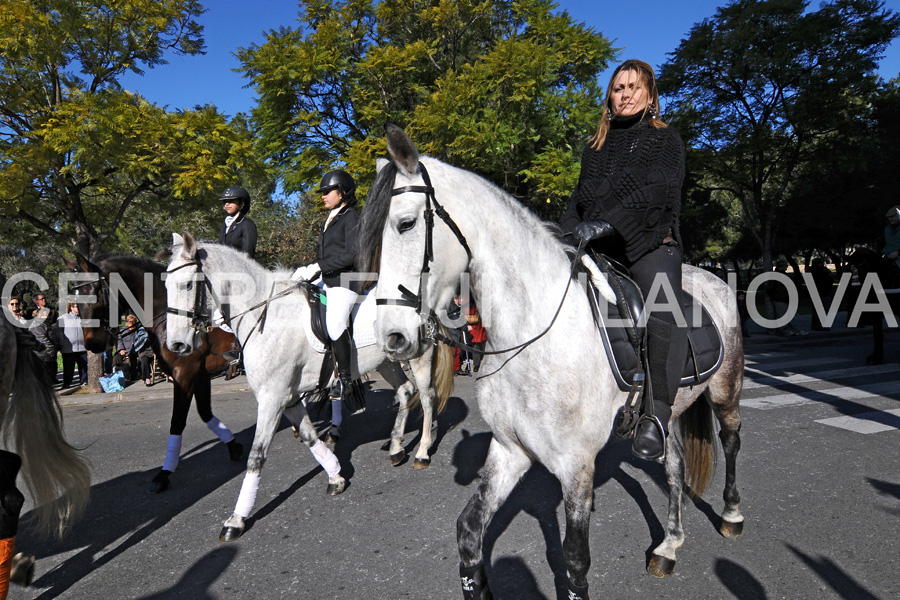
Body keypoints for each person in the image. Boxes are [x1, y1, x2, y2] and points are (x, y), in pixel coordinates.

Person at [559, 59, 687, 462]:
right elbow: (578, 201)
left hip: (650, 243)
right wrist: (561, 233)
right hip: (600, 249)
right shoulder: (594, 148)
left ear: (650, 96)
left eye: (634, 87)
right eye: (618, 88)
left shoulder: (665, 140)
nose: (626, 94)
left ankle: (657, 414)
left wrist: (606, 224)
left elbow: (656, 192)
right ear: (609, 97)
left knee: (664, 310)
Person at [291, 170, 360, 443]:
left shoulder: (351, 218)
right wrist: (309, 273)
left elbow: (350, 255)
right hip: (327, 281)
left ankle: (347, 379)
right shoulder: (329, 219)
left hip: (345, 282)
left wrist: (316, 266)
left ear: (342, 192)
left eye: (326, 191)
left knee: (333, 324)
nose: (322, 196)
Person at [765, 259, 807, 337]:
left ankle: (792, 329)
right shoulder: (778, 275)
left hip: (784, 297)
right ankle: (786, 330)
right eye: (786, 266)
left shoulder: (780, 275)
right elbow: (770, 288)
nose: (787, 267)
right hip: (780, 298)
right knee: (783, 316)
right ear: (782, 266)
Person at [219, 185, 258, 259]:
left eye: (231, 201)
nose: (227, 204)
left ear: (242, 203)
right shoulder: (224, 225)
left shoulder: (247, 224)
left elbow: (248, 253)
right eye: (225, 201)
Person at [57, 303, 88, 387]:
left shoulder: (83, 318)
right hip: (68, 348)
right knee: (68, 367)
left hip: (82, 348)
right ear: (71, 307)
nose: (78, 308)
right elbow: (59, 333)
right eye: (76, 306)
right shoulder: (63, 318)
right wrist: (61, 343)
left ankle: (84, 381)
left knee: (83, 366)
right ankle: (67, 383)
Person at [114, 314, 150, 384]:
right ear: (127, 322)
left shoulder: (139, 330)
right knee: (116, 358)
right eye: (129, 321)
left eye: (133, 321)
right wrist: (121, 349)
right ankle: (116, 376)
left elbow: (143, 339)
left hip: (138, 349)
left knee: (142, 358)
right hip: (126, 349)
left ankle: (139, 374)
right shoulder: (122, 330)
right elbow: (119, 341)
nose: (131, 323)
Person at [29, 307, 60, 384]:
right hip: (42, 354)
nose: (46, 315)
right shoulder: (37, 325)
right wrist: (51, 350)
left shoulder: (46, 324)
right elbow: (42, 339)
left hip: (48, 353)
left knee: (51, 369)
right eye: (43, 314)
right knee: (45, 373)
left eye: (47, 314)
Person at [808, 258, 834, 331]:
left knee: (817, 310)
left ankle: (817, 325)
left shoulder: (811, 271)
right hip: (824, 291)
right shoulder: (823, 271)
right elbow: (830, 279)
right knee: (824, 308)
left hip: (818, 291)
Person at [881, 205, 900, 271]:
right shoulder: (887, 229)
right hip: (887, 257)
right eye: (889, 217)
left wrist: (898, 252)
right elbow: (882, 243)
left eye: (892, 216)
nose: (890, 219)